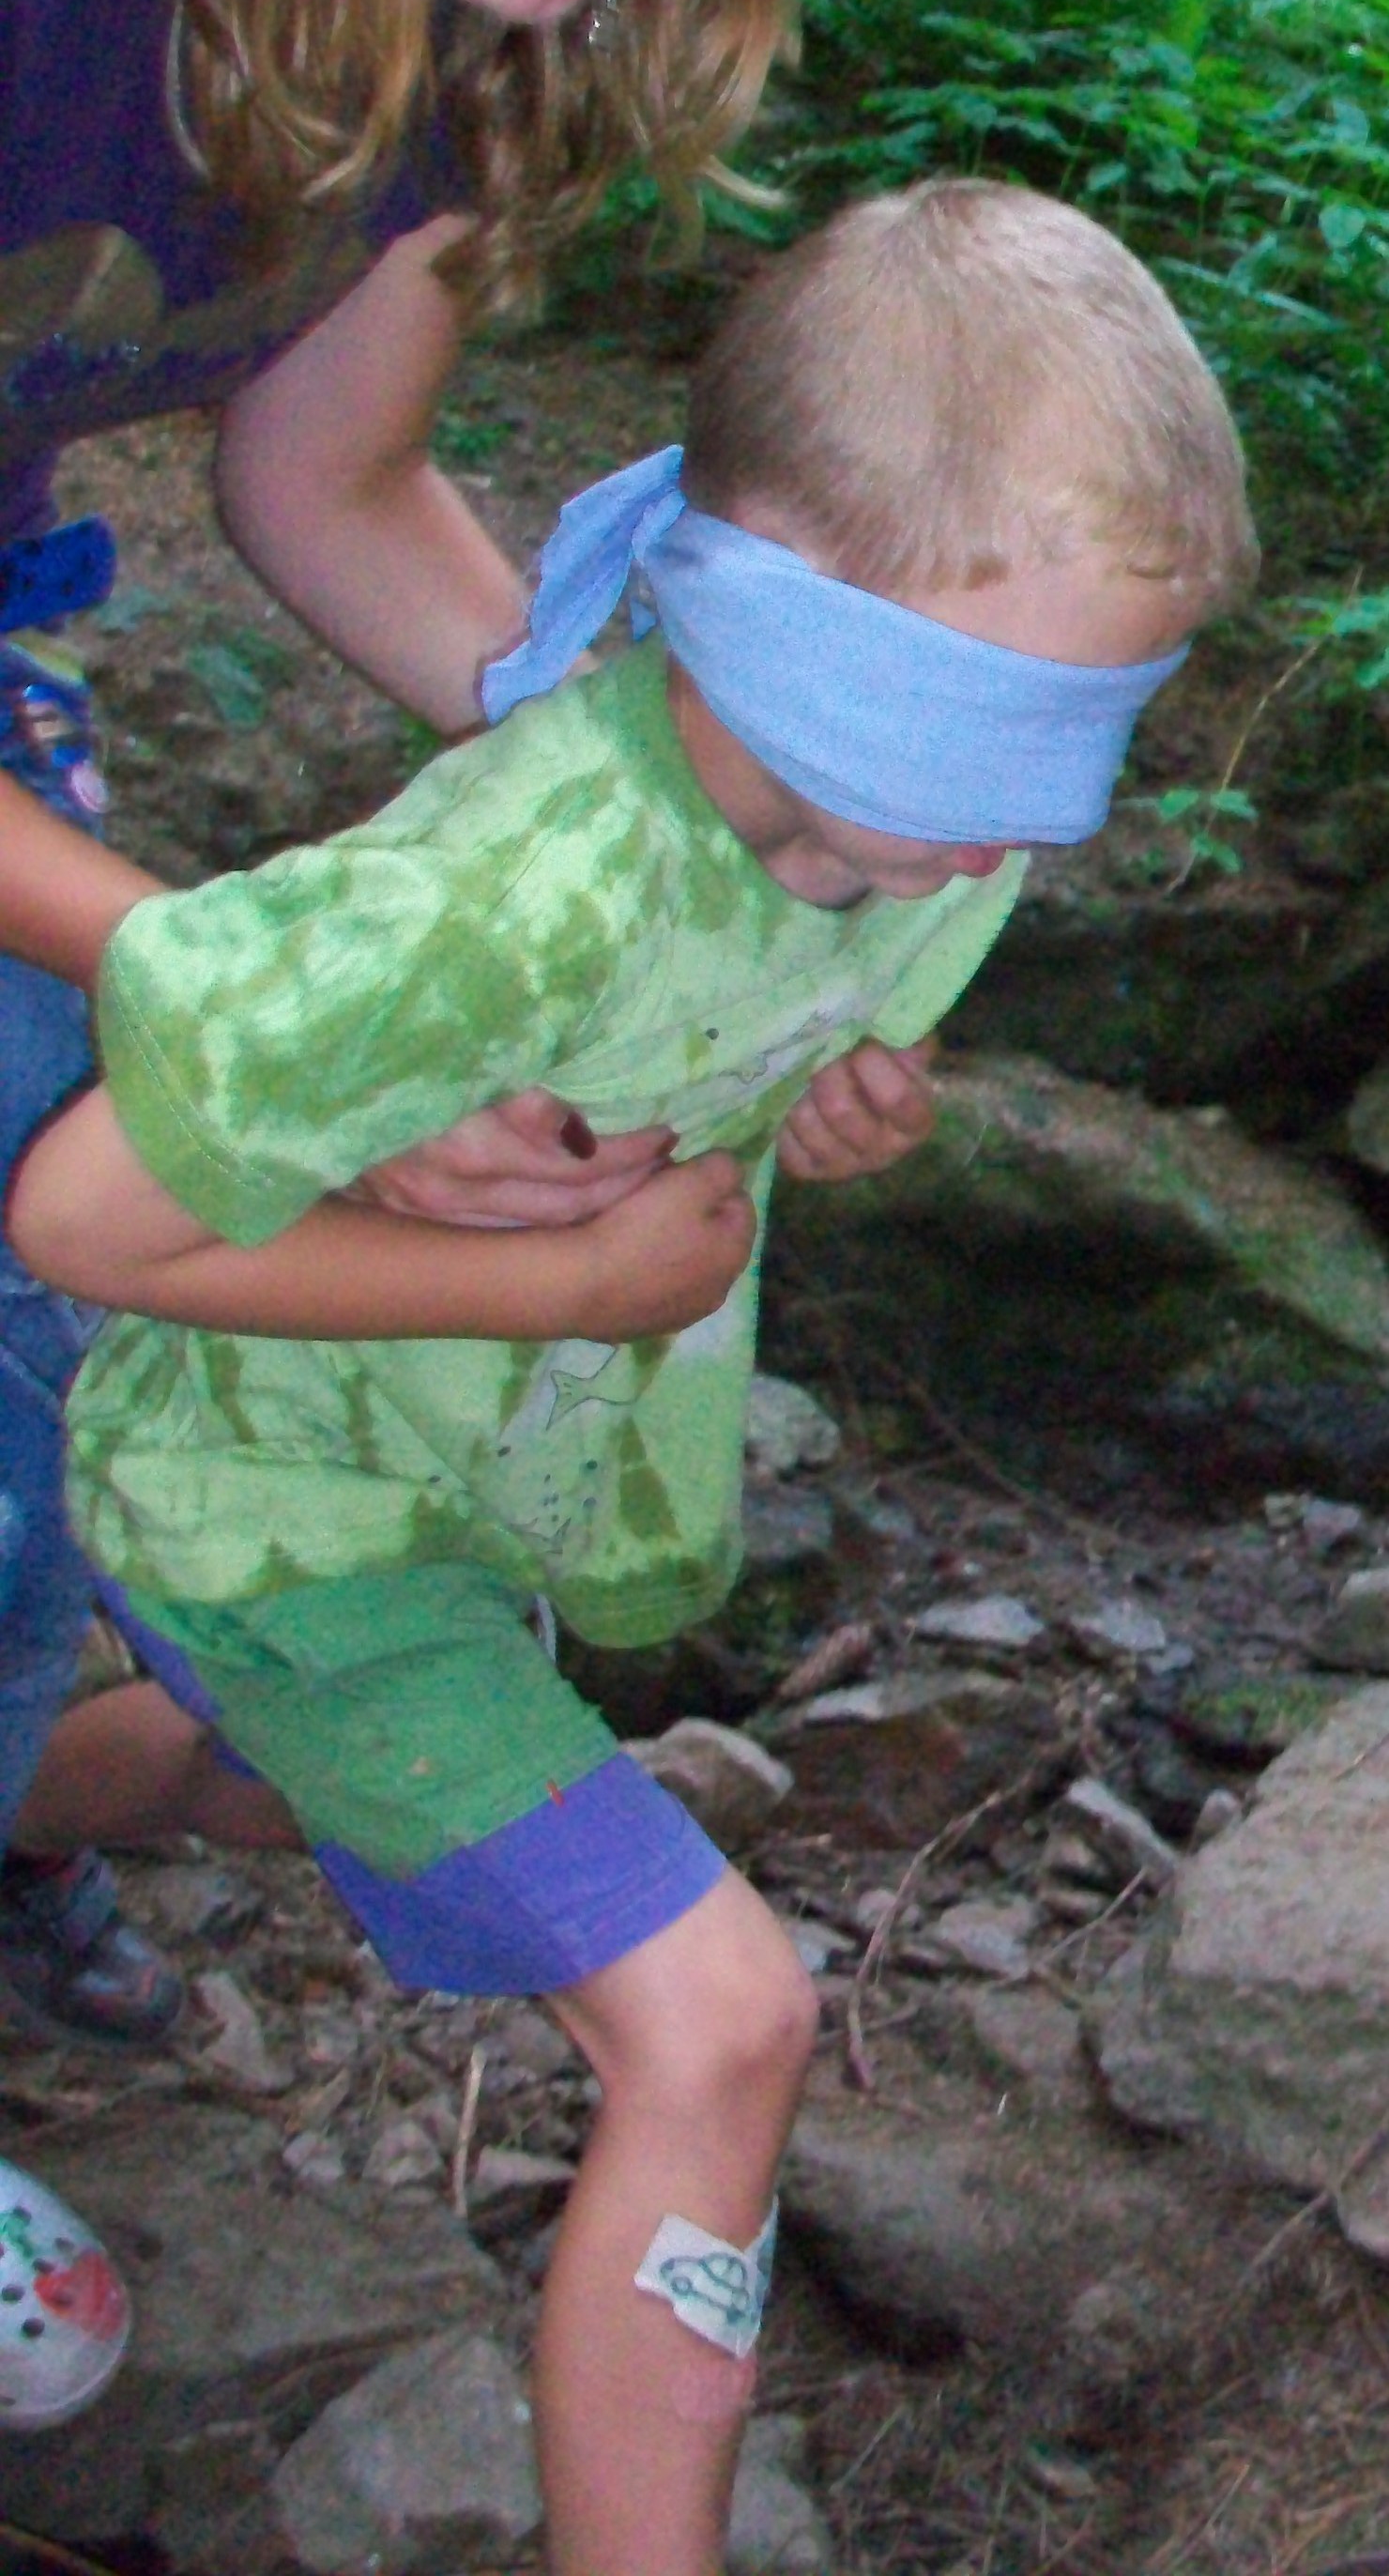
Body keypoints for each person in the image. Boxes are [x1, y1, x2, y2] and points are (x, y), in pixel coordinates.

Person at [9, 179, 1258, 2569]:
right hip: (285, 1514)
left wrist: (830, 1095)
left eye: (1083, 746)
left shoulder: (910, 841)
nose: (1024, 821)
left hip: (467, 1493)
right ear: (778, 634)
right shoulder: (510, 890)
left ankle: (28, 1793)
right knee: (718, 2025)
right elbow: (79, 1224)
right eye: (989, 738)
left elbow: (780, 998)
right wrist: (562, 1286)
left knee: (284, 1781)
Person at [0, 0, 914, 2089]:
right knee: (83, 1198)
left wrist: (685, 837)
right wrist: (236, 987)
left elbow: (335, 478)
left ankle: (49, 1772)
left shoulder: (445, 13)